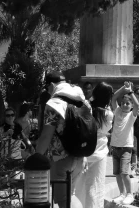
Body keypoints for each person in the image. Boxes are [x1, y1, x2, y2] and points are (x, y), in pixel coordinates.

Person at [34, 71, 90, 208]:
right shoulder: (82, 102)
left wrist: (36, 157)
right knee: (70, 195)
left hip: (61, 159)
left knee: (64, 200)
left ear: (52, 85)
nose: (47, 92)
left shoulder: (54, 104)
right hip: (80, 157)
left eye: (47, 88)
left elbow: (47, 135)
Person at [76, 82, 115, 208]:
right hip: (99, 152)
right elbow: (106, 130)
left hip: (83, 151)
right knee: (96, 187)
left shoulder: (86, 108)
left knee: (79, 186)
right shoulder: (108, 114)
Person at [110, 81, 139, 206]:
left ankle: (129, 194)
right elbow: (113, 98)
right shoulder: (117, 111)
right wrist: (124, 88)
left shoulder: (132, 115)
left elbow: (137, 105)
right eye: (123, 103)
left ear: (131, 105)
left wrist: (130, 91)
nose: (125, 105)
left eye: (128, 103)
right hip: (115, 147)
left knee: (124, 172)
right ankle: (122, 194)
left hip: (126, 148)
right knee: (117, 173)